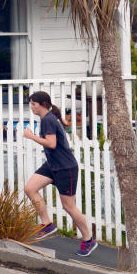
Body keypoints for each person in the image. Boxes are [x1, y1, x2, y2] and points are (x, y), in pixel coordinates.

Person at [22, 91, 97, 256]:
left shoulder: (48, 119)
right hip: (52, 166)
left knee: (68, 206)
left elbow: (52, 143)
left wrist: (31, 136)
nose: (31, 107)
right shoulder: (46, 119)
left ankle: (88, 239)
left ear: (42, 104)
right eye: (31, 104)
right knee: (30, 188)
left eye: (33, 104)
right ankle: (47, 224)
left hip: (65, 168)